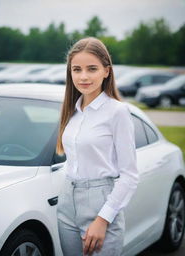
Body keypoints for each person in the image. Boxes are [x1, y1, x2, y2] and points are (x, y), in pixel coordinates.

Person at [55, 37, 139, 256]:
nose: (83, 76)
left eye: (92, 69)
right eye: (77, 69)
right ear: (70, 73)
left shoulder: (117, 112)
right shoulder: (71, 112)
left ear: (106, 71)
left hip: (101, 203)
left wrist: (103, 219)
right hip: (66, 203)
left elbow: (130, 175)